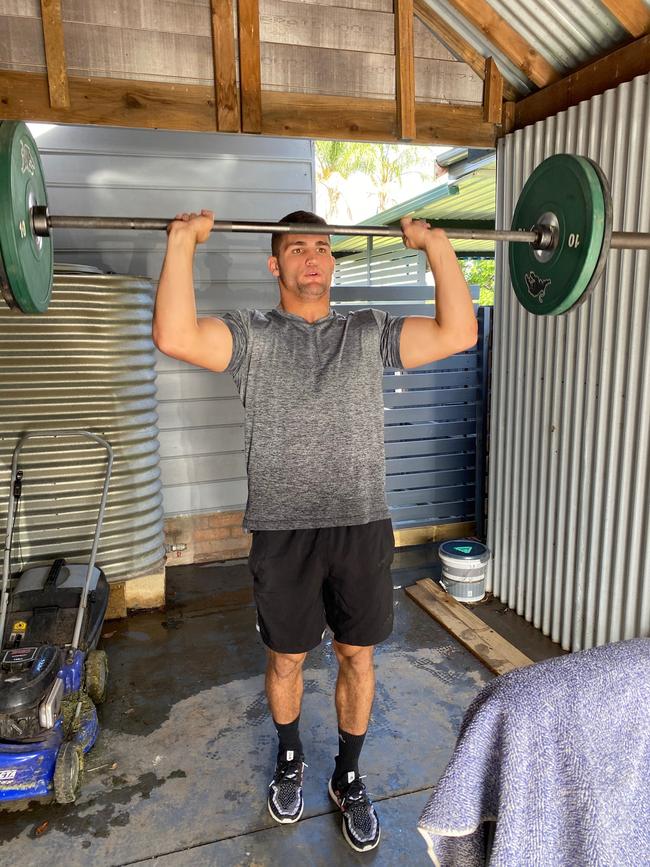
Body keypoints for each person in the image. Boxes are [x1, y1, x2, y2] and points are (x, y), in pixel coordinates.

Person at [153, 207, 477, 853]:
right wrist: (182, 243)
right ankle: (291, 756)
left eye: (324, 248)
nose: (313, 258)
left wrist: (436, 247)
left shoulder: (368, 329)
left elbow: (458, 332)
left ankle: (348, 775)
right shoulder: (252, 334)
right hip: (283, 528)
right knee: (287, 657)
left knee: (358, 654)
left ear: (333, 262)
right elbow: (175, 335)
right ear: (275, 264)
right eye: (298, 248)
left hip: (360, 524)